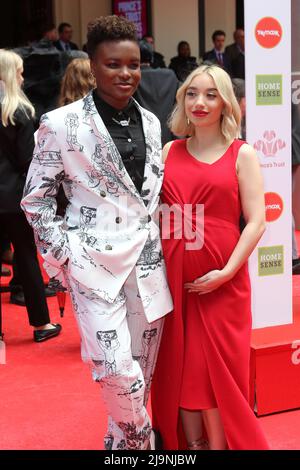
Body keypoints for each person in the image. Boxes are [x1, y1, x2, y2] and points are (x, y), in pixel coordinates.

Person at [21, 15, 173, 450]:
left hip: (146, 270)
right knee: (115, 371)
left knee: (139, 377)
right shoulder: (60, 123)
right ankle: (144, 445)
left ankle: (119, 449)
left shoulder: (150, 122)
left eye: (134, 64)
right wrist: (65, 256)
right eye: (113, 64)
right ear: (92, 65)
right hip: (92, 269)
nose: (126, 74)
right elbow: (36, 199)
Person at [151, 64, 269, 450]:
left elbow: (256, 222)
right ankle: (192, 448)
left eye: (211, 94)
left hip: (223, 287)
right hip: (174, 284)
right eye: (192, 93)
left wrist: (226, 273)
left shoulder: (243, 153)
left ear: (226, 103)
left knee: (215, 374)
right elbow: (152, 216)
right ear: (182, 100)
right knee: (182, 371)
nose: (200, 102)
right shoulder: (170, 150)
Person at [0, 49, 61, 342]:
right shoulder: (21, 112)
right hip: (14, 198)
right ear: (10, 74)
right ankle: (41, 325)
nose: (24, 77)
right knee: (26, 257)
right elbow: (26, 160)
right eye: (20, 71)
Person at [134, 40, 178, 145]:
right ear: (152, 57)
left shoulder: (132, 78)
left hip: (142, 138)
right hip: (169, 136)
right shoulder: (169, 76)